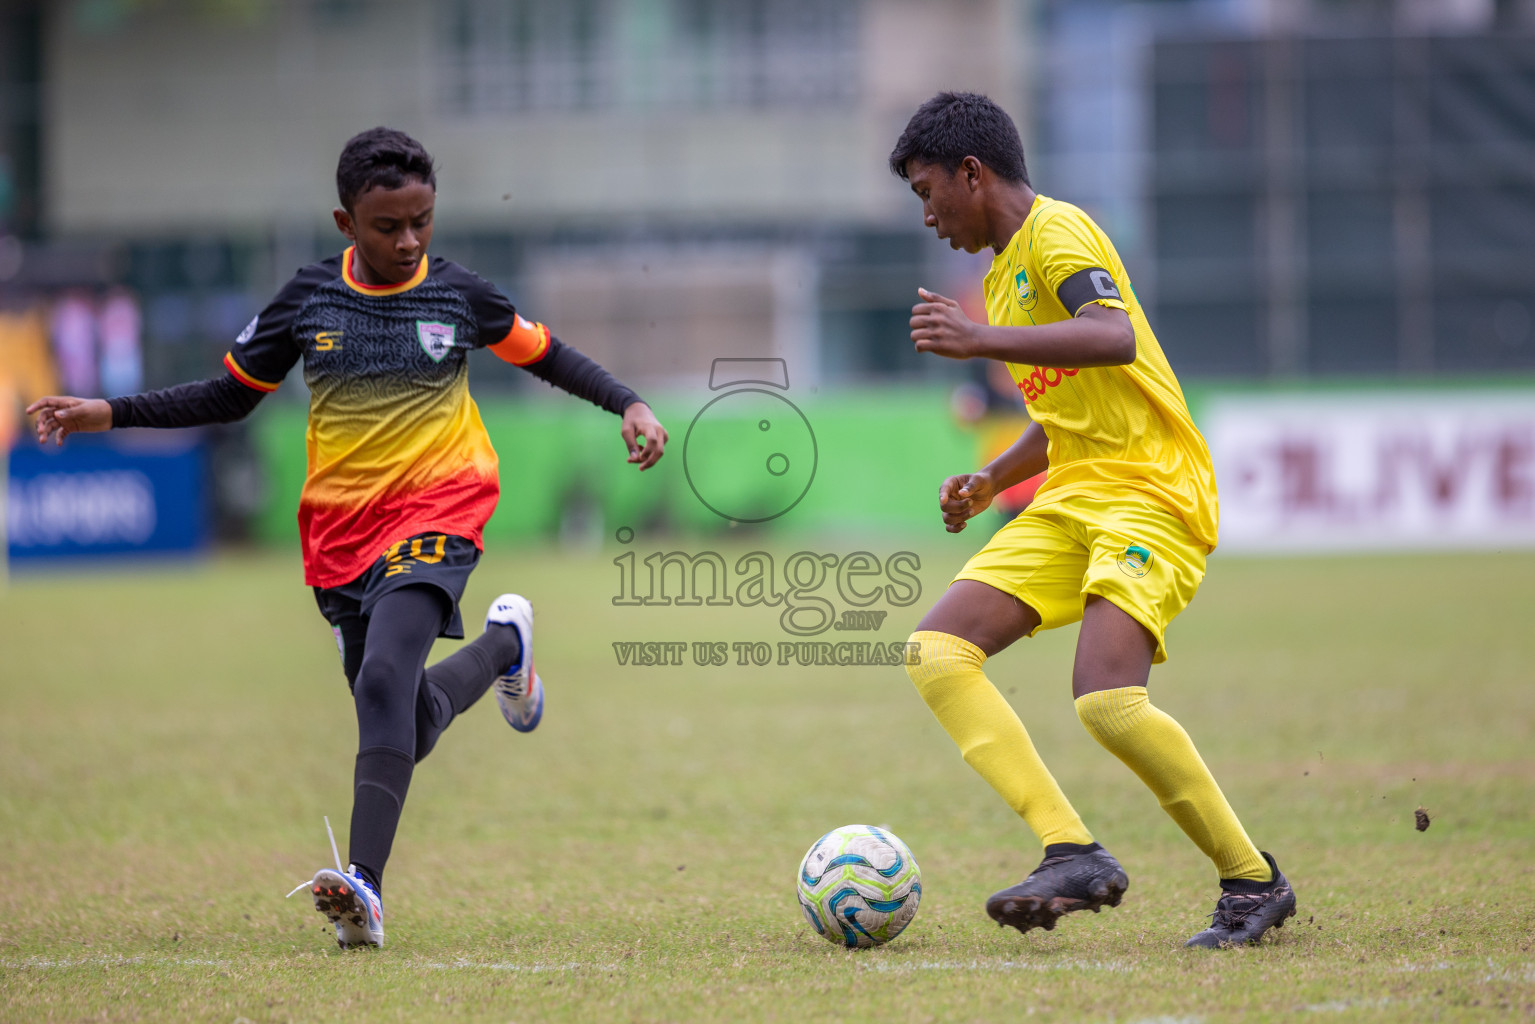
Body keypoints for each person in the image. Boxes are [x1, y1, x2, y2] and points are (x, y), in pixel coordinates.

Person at [27, 127, 668, 950]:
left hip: (441, 508)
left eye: (422, 222)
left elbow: (546, 355)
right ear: (345, 222)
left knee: (381, 683)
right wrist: (108, 412)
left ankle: (362, 890)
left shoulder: (458, 297)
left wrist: (630, 404)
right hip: (339, 535)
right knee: (410, 716)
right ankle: (507, 645)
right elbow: (228, 396)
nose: (408, 242)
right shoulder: (308, 301)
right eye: (387, 226)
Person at [889, 93, 1295, 948]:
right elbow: (1068, 406)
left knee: (1107, 702)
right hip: (1073, 494)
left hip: (1150, 491)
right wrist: (989, 477)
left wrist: (977, 342)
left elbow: (1110, 338)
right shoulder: (1003, 272)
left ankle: (1251, 881)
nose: (926, 215)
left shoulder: (1059, 233)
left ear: (973, 172)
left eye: (929, 191)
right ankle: (1069, 850)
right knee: (936, 653)